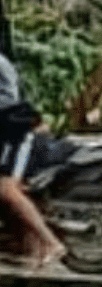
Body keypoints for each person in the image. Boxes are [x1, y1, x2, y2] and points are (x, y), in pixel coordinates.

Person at [0, 52, 66, 268]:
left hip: (16, 135)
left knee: (7, 189)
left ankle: (51, 242)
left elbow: (10, 102)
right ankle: (29, 251)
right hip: (7, 134)